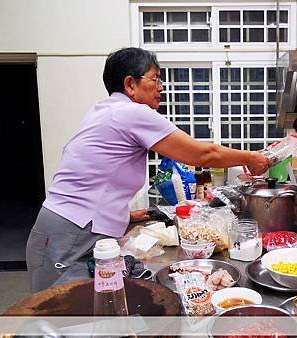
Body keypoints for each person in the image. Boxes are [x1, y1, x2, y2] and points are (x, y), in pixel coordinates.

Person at [26, 47, 270, 292]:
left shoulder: (105, 110)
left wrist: (120, 214)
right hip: (70, 233)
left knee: (80, 305)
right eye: (155, 79)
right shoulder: (131, 113)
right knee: (58, 311)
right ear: (130, 84)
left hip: (67, 227)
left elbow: (93, 174)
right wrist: (250, 157)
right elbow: (203, 154)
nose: (161, 87)